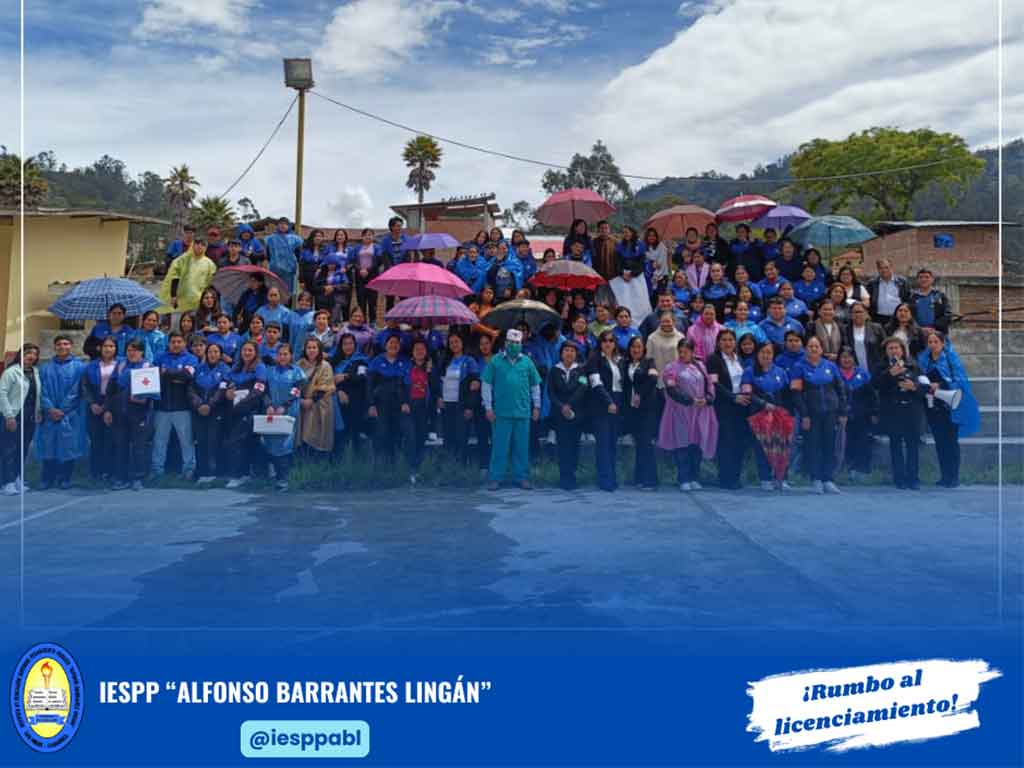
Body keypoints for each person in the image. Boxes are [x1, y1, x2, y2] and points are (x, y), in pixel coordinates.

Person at [918, 330, 980, 488]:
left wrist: (941, 383)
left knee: (951, 442)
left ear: (943, 343)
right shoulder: (924, 361)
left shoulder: (951, 359)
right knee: (940, 442)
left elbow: (960, 380)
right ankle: (944, 476)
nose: (933, 345)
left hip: (951, 404)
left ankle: (953, 477)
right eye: (930, 342)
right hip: (934, 405)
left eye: (936, 342)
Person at [482, 329, 541, 490]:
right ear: (505, 343)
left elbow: (535, 385)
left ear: (521, 344)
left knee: (521, 448)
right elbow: (486, 384)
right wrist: (488, 407)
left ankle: (521, 478)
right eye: (511, 342)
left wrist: (537, 406)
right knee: (499, 447)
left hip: (523, 412)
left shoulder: (527, 362)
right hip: (501, 412)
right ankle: (495, 478)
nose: (514, 345)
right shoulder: (495, 361)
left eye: (517, 343)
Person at [790, 336, 847, 493]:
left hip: (831, 413)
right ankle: (815, 479)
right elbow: (796, 394)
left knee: (829, 445)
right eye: (810, 346)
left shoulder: (831, 366)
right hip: (811, 414)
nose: (814, 349)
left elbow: (841, 389)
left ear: (821, 349)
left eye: (817, 346)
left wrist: (843, 411)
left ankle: (828, 479)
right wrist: (804, 415)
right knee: (813, 445)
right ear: (806, 349)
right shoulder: (798, 367)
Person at [659, 338, 717, 491]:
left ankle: (694, 477)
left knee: (697, 444)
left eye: (686, 352)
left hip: (700, 411)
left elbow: (710, 385)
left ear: (693, 352)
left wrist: (708, 399)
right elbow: (671, 390)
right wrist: (690, 400)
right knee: (682, 444)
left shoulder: (700, 366)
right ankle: (683, 478)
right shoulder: (671, 368)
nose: (682, 354)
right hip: (680, 411)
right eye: (680, 352)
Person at [873, 337, 926, 490]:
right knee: (895, 445)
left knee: (912, 446)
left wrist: (914, 386)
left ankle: (913, 478)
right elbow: (875, 385)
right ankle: (899, 478)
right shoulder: (880, 367)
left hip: (911, 411)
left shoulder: (913, 365)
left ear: (902, 350)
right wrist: (889, 374)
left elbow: (925, 387)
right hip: (892, 412)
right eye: (890, 348)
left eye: (897, 348)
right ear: (886, 352)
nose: (894, 351)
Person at [36, 336, 88, 490]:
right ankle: (47, 478)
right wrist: (50, 408)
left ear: (71, 346)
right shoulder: (45, 368)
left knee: (68, 446)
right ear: (54, 347)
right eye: (59, 344)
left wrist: (63, 409)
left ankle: (65, 478)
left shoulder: (79, 367)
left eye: (66, 343)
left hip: (70, 414)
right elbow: (41, 390)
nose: (62, 346)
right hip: (49, 414)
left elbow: (76, 390)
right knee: (48, 445)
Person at [741, 342, 794, 491]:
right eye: (763, 352)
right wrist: (763, 404)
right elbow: (747, 393)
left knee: (781, 446)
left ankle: (782, 478)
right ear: (757, 354)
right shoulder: (749, 371)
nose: (766, 355)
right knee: (762, 447)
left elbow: (788, 394)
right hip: (759, 414)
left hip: (779, 414)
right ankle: (765, 478)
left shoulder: (781, 372)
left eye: (769, 353)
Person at [706, 329, 751, 489]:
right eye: (724, 340)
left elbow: (745, 379)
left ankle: (735, 477)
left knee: (740, 441)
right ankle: (725, 478)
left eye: (730, 339)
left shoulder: (739, 358)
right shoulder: (713, 359)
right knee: (726, 442)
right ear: (718, 342)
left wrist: (745, 395)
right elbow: (715, 384)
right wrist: (733, 397)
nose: (727, 343)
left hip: (741, 406)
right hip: (724, 406)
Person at [107, 340, 154, 491]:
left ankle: (138, 478)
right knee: (121, 446)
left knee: (139, 447)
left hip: (140, 414)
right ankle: (121, 478)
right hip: (120, 413)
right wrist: (108, 410)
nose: (132, 353)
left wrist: (143, 399)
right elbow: (111, 389)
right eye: (129, 350)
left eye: (136, 350)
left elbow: (152, 393)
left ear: (142, 352)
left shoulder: (148, 367)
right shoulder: (120, 365)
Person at [151, 331, 198, 480]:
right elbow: (152, 376)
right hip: (161, 406)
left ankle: (189, 470)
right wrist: (177, 375)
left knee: (186, 441)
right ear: (168, 343)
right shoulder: (159, 357)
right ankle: (157, 470)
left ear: (184, 343)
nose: (176, 344)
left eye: (179, 342)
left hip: (182, 407)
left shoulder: (191, 358)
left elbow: (187, 376)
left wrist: (166, 373)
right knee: (159, 441)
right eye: (173, 342)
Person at [222, 341, 268, 488]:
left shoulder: (260, 367)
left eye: (250, 350)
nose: (247, 353)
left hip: (250, 410)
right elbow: (224, 383)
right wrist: (227, 391)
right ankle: (245, 474)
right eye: (244, 350)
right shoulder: (236, 367)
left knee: (236, 442)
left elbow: (259, 390)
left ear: (255, 352)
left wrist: (242, 404)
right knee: (243, 443)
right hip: (234, 411)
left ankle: (237, 476)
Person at [262, 344, 306, 492]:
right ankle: (273, 476)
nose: (282, 357)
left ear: (291, 355)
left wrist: (284, 407)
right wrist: (268, 405)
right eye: (280, 354)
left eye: (285, 354)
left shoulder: (297, 371)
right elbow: (265, 390)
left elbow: (297, 391)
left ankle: (284, 479)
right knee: (270, 441)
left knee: (285, 444)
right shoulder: (269, 371)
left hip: (288, 412)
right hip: (271, 412)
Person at [0, 343, 41, 496]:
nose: (31, 356)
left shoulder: (35, 372)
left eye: (35, 354)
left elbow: (36, 394)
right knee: (9, 449)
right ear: (21, 355)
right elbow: (2, 394)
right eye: (28, 352)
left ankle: (17, 478)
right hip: (13, 415)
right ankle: (6, 482)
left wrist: (38, 411)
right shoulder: (11, 372)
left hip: (29, 417)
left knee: (22, 449)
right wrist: (9, 416)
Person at [620, 336, 661, 491]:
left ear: (644, 349)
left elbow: (653, 379)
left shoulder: (649, 362)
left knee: (646, 443)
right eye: (633, 347)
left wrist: (640, 394)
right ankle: (639, 478)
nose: (636, 350)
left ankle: (651, 481)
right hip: (632, 410)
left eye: (639, 347)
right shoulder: (625, 364)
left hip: (647, 409)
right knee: (639, 444)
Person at [585, 330, 623, 492]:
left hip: (617, 403)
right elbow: (596, 383)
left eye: (611, 341)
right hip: (602, 405)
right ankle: (604, 479)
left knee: (612, 444)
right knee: (603, 444)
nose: (608, 343)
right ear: (600, 343)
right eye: (605, 341)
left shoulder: (618, 360)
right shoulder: (594, 359)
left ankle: (612, 477)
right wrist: (608, 402)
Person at [547, 341, 587, 490]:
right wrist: (562, 406)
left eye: (572, 350)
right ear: (561, 353)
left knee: (574, 445)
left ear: (576, 354)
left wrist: (569, 404)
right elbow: (551, 392)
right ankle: (564, 477)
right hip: (560, 414)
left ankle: (572, 475)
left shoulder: (581, 370)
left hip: (576, 413)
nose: (569, 353)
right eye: (566, 350)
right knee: (563, 446)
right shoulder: (554, 371)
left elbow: (583, 387)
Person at [189, 342, 230, 484]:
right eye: (210, 352)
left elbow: (222, 390)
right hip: (199, 410)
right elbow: (190, 389)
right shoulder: (198, 369)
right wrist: (199, 404)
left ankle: (216, 471)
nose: (213, 354)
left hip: (217, 410)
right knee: (200, 440)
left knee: (214, 440)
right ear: (206, 354)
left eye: (216, 352)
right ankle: (202, 472)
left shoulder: (225, 370)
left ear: (221, 354)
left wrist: (210, 405)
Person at [436, 333, 481, 464]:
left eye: (456, 341)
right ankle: (450, 465)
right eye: (451, 342)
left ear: (462, 343)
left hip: (462, 405)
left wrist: (469, 407)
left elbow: (474, 386)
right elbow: (439, 381)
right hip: (447, 404)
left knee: (461, 436)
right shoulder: (445, 361)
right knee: (448, 435)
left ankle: (462, 466)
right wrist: (439, 397)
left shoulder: (469, 361)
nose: (454, 344)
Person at [81, 337, 120, 483]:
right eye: (105, 346)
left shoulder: (121, 365)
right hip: (95, 404)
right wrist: (92, 403)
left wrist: (107, 406)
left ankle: (109, 472)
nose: (108, 349)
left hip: (113, 405)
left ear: (116, 348)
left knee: (111, 440)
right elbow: (85, 386)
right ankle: (95, 472)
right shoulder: (91, 365)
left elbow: (121, 387)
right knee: (96, 440)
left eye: (111, 346)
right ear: (100, 348)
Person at [367, 335, 410, 465]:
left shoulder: (405, 361)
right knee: (381, 432)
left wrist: (406, 402)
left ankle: (395, 464)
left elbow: (408, 384)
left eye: (396, 343)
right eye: (391, 342)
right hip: (381, 402)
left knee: (397, 432)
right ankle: (380, 465)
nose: (393, 345)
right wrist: (371, 404)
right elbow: (369, 385)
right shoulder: (377, 361)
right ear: (385, 345)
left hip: (399, 402)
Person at [836, 346, 877, 482]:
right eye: (843, 357)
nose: (846, 359)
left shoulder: (863, 373)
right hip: (841, 416)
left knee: (862, 441)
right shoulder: (835, 373)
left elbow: (872, 395)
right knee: (845, 442)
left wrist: (873, 412)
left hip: (861, 414)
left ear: (854, 358)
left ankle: (861, 470)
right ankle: (845, 469)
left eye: (849, 357)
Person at [330, 333, 369, 457]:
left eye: (350, 343)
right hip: (337, 399)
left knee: (355, 430)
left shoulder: (361, 360)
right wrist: (338, 391)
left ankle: (357, 458)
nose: (348, 346)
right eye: (345, 344)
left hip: (356, 400)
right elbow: (329, 381)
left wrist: (345, 376)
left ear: (355, 345)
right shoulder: (335, 362)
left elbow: (362, 377)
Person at [401, 340, 434, 484]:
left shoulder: (430, 367)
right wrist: (403, 402)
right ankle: (410, 468)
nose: (420, 351)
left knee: (421, 437)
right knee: (411, 436)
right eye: (417, 349)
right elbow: (400, 385)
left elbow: (435, 387)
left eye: (422, 348)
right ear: (412, 352)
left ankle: (418, 468)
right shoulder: (406, 366)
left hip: (424, 406)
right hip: (409, 406)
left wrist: (430, 372)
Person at [297, 338, 336, 458]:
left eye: (314, 347)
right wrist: (300, 400)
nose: (311, 350)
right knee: (302, 433)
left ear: (319, 350)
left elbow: (326, 385)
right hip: (302, 404)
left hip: (319, 403)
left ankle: (319, 461)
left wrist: (311, 400)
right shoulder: (299, 365)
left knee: (317, 435)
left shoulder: (325, 365)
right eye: (309, 347)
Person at [160, 238, 217, 313]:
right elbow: (175, 277)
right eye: (197, 243)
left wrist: (209, 299)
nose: (200, 246)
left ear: (206, 247)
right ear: (193, 245)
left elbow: (211, 282)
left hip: (199, 301)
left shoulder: (209, 263)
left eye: (203, 244)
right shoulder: (183, 260)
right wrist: (173, 295)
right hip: (181, 300)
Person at [842, 302, 885, 372]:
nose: (857, 314)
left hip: (876, 369)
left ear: (866, 313)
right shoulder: (845, 329)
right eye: (855, 312)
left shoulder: (877, 328)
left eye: (860, 312)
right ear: (850, 315)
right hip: (854, 369)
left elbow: (885, 348)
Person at [265, 217, 303, 297]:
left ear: (289, 226)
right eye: (281, 224)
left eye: (285, 224)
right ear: (277, 226)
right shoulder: (271, 239)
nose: (283, 226)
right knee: (275, 292)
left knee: (287, 293)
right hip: (275, 270)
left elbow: (298, 254)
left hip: (289, 271)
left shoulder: (295, 239)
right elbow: (268, 254)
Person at [867, 258, 910, 326]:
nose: (884, 270)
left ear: (891, 268)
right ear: (878, 269)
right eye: (881, 268)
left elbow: (907, 299)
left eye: (886, 267)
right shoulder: (872, 283)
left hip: (897, 318)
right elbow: (868, 300)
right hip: (878, 318)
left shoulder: (902, 282)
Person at [910, 268, 952, 335]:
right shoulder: (912, 297)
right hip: (918, 334)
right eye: (921, 277)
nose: (923, 279)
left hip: (937, 333)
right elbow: (910, 316)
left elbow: (948, 314)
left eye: (927, 277)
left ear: (932, 279)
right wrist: (920, 329)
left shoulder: (940, 295)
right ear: (917, 280)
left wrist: (934, 327)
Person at [299, 229, 329, 294]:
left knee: (319, 297)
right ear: (312, 238)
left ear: (322, 238)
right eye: (316, 236)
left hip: (321, 280)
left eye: (320, 236)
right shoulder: (305, 249)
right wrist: (301, 280)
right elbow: (301, 266)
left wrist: (320, 267)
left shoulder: (326, 249)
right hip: (307, 279)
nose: (318, 238)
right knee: (307, 297)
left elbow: (327, 262)